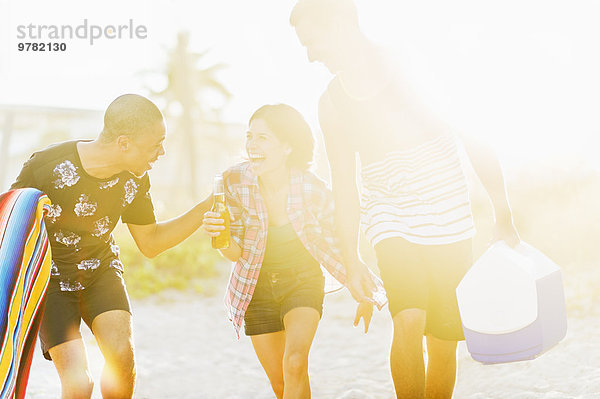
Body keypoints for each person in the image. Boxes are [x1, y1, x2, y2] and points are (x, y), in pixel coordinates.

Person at [290, 1, 521, 398]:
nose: (311, 56)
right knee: (409, 320)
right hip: (389, 216)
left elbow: (473, 135)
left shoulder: (414, 66)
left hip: (449, 213)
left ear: (343, 23)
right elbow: (344, 184)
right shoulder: (332, 103)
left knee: (443, 341)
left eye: (314, 43)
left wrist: (503, 211)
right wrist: (352, 257)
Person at [11, 94, 212, 399]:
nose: (161, 152)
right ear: (123, 143)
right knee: (79, 384)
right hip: (49, 281)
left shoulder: (134, 179)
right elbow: (10, 220)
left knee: (122, 361)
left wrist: (205, 207)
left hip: (100, 271)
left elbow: (151, 242)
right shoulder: (46, 166)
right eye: (155, 143)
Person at [202, 104, 386, 399]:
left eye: (263, 138)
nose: (251, 145)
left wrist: (360, 284)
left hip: (302, 281)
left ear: (287, 146)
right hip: (256, 288)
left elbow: (342, 239)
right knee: (281, 384)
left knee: (295, 363)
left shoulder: (312, 189)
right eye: (249, 136)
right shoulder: (234, 182)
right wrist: (220, 235)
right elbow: (235, 254)